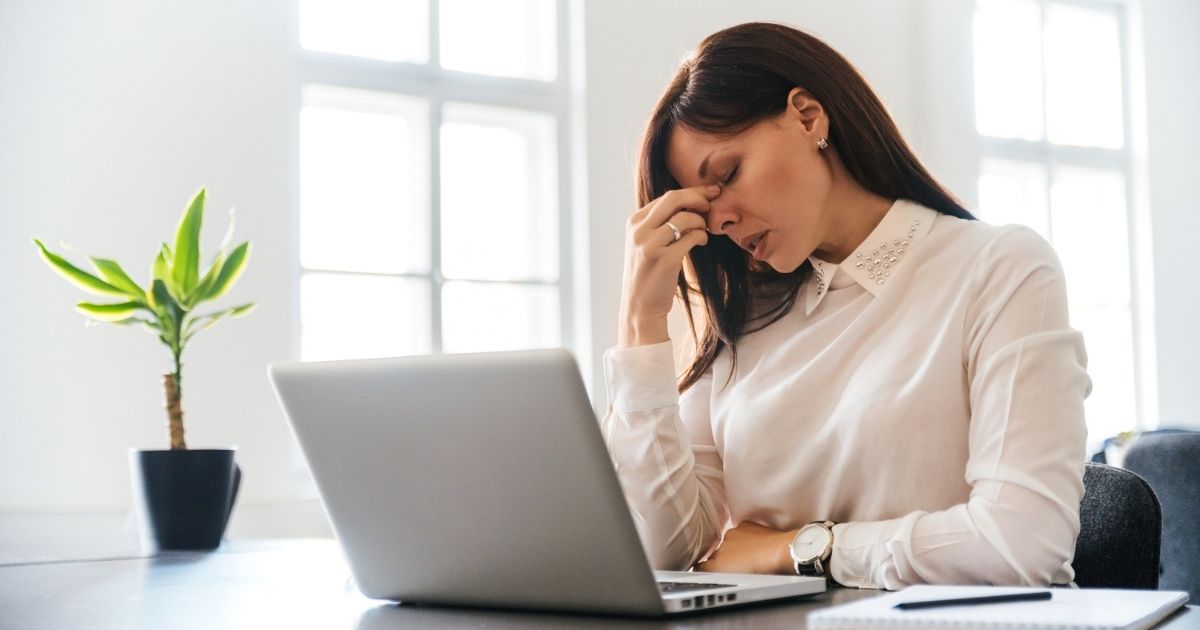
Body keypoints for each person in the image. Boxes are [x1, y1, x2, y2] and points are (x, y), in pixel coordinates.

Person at [600, 22, 1091, 591]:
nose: (720, 221)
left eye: (729, 174)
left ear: (808, 117)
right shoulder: (745, 317)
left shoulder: (1000, 268)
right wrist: (640, 327)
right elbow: (665, 550)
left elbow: (1021, 546)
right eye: (705, 209)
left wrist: (802, 549)